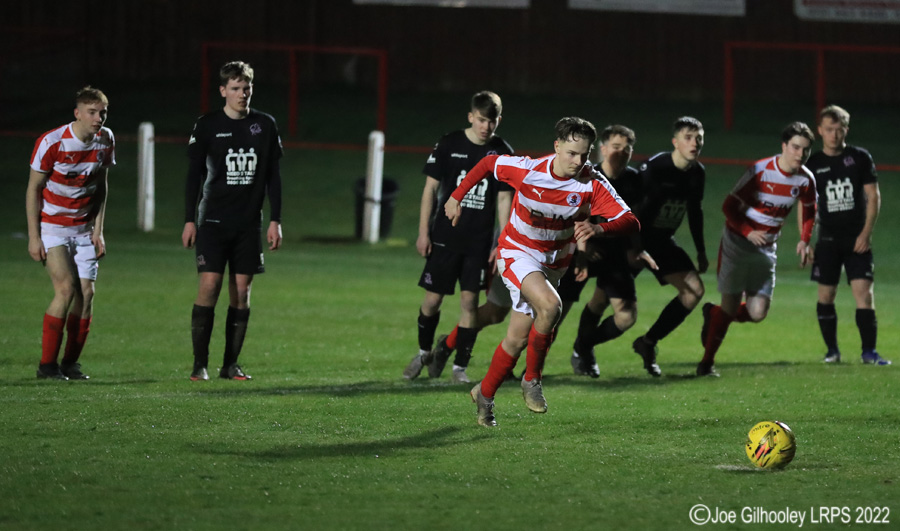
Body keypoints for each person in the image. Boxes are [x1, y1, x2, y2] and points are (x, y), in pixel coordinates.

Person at [446, 117, 640, 427]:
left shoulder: (591, 183)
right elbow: (488, 164)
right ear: (557, 146)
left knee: (517, 339)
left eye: (584, 154)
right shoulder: (529, 169)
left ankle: (485, 393)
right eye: (571, 153)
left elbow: (631, 221)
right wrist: (456, 197)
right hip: (516, 253)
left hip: (552, 266)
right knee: (551, 307)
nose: (578, 161)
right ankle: (532, 379)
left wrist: (598, 228)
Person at [402, 91, 514, 384]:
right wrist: (423, 232)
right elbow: (430, 189)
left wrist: (500, 243)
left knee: (469, 304)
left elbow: (504, 200)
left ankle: (459, 369)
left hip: (478, 243)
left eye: (491, 121)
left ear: (499, 120)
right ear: (470, 117)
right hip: (444, 238)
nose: (486, 127)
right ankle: (423, 353)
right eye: (481, 120)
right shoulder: (449, 143)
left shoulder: (502, 152)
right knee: (432, 301)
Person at [183, 61, 284, 381]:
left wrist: (276, 219)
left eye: (246, 88)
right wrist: (188, 220)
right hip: (213, 220)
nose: (242, 94)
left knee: (241, 291)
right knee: (209, 285)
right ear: (223, 90)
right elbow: (193, 175)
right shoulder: (207, 125)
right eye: (236, 88)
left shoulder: (265, 125)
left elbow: (273, 176)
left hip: (248, 224)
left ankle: (230, 365)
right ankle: (200, 364)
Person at [698, 122, 818, 376]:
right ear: (784, 146)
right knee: (731, 306)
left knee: (757, 312)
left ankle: (713, 313)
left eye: (805, 150)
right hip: (737, 243)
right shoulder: (761, 171)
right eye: (795, 147)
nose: (800, 154)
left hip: (766, 249)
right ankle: (706, 363)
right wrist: (748, 232)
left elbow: (809, 210)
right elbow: (729, 207)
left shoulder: (806, 179)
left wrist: (804, 240)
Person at [26, 86, 115, 381]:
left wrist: (98, 230)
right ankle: (47, 366)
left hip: (84, 229)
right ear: (77, 113)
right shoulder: (52, 142)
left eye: (102, 112)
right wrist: (34, 236)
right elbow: (33, 189)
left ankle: (70, 364)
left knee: (86, 295)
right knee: (66, 289)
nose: (98, 118)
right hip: (53, 227)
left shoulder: (106, 139)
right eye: (92, 112)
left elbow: (101, 185)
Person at [555, 125, 657, 377]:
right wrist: (582, 249)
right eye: (616, 147)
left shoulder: (634, 180)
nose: (621, 153)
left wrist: (638, 249)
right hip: (581, 252)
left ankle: (583, 347)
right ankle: (529, 371)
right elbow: (572, 215)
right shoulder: (587, 176)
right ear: (602, 149)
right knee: (554, 314)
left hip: (615, 255)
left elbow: (633, 218)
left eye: (627, 148)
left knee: (626, 316)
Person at [806, 106, 888, 365]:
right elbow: (805, 205)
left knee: (864, 294)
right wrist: (805, 240)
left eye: (839, 129)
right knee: (825, 296)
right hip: (827, 240)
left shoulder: (860, 157)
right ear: (820, 131)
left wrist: (866, 233)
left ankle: (869, 353)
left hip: (856, 239)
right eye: (829, 129)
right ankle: (832, 351)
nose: (834, 135)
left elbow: (873, 196)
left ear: (846, 130)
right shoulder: (813, 164)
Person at [630, 117, 708, 377]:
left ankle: (648, 342)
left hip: (662, 242)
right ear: (675, 142)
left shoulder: (697, 173)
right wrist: (633, 245)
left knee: (694, 291)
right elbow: (631, 208)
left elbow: (695, 212)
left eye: (698, 138)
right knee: (610, 300)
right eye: (688, 137)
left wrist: (701, 251)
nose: (694, 143)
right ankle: (583, 348)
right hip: (634, 241)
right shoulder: (655, 167)